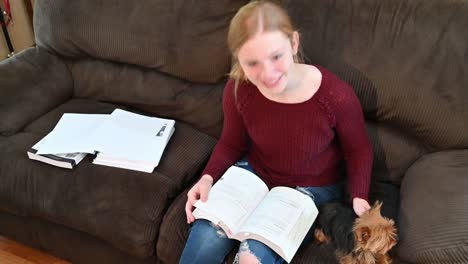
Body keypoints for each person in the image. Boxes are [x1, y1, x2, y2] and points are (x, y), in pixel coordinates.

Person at [180, 1, 373, 263]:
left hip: (311, 187)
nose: (267, 73)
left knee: (252, 256)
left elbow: (358, 149)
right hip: (255, 174)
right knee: (206, 237)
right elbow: (230, 143)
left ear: (293, 44)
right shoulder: (240, 89)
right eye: (252, 63)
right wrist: (207, 177)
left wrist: (360, 195)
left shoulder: (335, 96)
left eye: (276, 56)